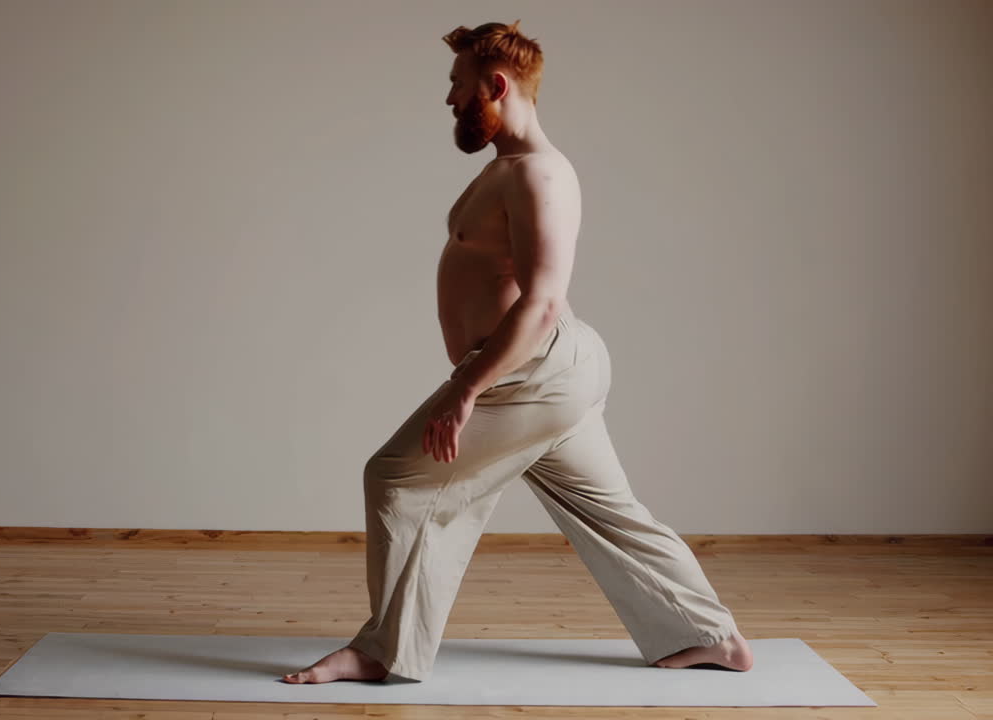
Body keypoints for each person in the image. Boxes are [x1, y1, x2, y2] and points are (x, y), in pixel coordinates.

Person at [283, 20, 753, 684]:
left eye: (458, 85)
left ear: (496, 87)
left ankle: (382, 651)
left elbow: (541, 301)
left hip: (535, 370)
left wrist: (464, 391)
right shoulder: (506, 170)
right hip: (549, 370)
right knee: (609, 511)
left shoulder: (541, 176)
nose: (449, 99)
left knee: (396, 479)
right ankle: (713, 636)